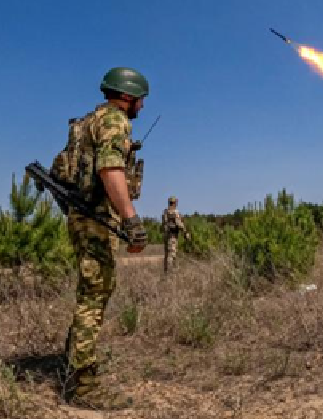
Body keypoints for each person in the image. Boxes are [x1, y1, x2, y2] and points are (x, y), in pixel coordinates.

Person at [62, 67, 149, 410]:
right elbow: (109, 169)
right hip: (96, 217)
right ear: (127, 96)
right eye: (140, 98)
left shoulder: (89, 120)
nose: (142, 105)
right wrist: (131, 219)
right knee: (94, 295)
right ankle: (82, 385)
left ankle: (73, 365)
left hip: (83, 217)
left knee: (91, 291)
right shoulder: (114, 120)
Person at [161, 196, 189, 273]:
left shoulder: (165, 212)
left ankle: (166, 272)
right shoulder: (174, 212)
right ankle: (170, 273)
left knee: (167, 255)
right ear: (174, 203)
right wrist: (185, 232)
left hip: (166, 235)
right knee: (172, 255)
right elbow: (179, 224)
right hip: (172, 236)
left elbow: (163, 224)